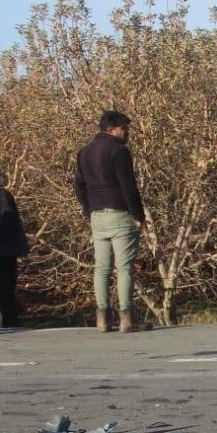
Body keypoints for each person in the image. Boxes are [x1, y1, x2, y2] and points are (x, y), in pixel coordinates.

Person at [74, 110, 146, 332]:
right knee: (124, 267)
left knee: (102, 268)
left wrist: (89, 210)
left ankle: (102, 318)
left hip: (97, 216)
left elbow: (79, 186)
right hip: (120, 213)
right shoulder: (119, 151)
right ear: (112, 129)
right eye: (125, 128)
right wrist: (138, 214)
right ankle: (127, 318)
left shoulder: (84, 152)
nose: (127, 132)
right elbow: (128, 186)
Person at [0, 162, 28, 328]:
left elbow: (8, 222)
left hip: (2, 253)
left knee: (3, 293)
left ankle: (9, 325)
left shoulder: (0, 195)